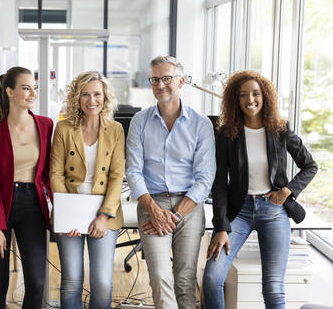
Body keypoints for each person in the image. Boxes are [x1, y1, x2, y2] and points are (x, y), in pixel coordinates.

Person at [203, 70, 318, 309]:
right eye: (243, 95)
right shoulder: (226, 133)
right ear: (235, 99)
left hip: (274, 211)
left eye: (255, 93)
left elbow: (310, 166)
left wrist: (287, 191)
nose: (250, 99)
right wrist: (221, 227)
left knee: (273, 289)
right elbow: (219, 185)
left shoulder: (280, 129)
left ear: (265, 96)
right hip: (239, 211)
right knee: (212, 279)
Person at [126, 55, 216, 309]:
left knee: (185, 279)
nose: (160, 85)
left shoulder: (201, 124)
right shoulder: (139, 121)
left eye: (166, 78)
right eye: (155, 80)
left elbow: (205, 177)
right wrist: (154, 211)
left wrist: (174, 215)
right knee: (159, 276)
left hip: (189, 206)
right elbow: (133, 171)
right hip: (151, 204)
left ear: (181, 81)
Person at [0, 67, 53, 309]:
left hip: (32, 204)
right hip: (0, 204)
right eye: (25, 88)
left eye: (34, 88)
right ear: (9, 91)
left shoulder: (46, 125)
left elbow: (50, 173)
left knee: (36, 280)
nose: (32, 93)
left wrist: (59, 206)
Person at [50, 71, 125, 309]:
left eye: (97, 94)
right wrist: (66, 214)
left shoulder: (115, 130)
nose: (91, 100)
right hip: (71, 208)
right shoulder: (63, 129)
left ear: (105, 97)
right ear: (77, 98)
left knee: (102, 282)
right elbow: (56, 173)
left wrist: (103, 216)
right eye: (85, 94)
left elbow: (116, 176)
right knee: (71, 279)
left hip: (103, 211)